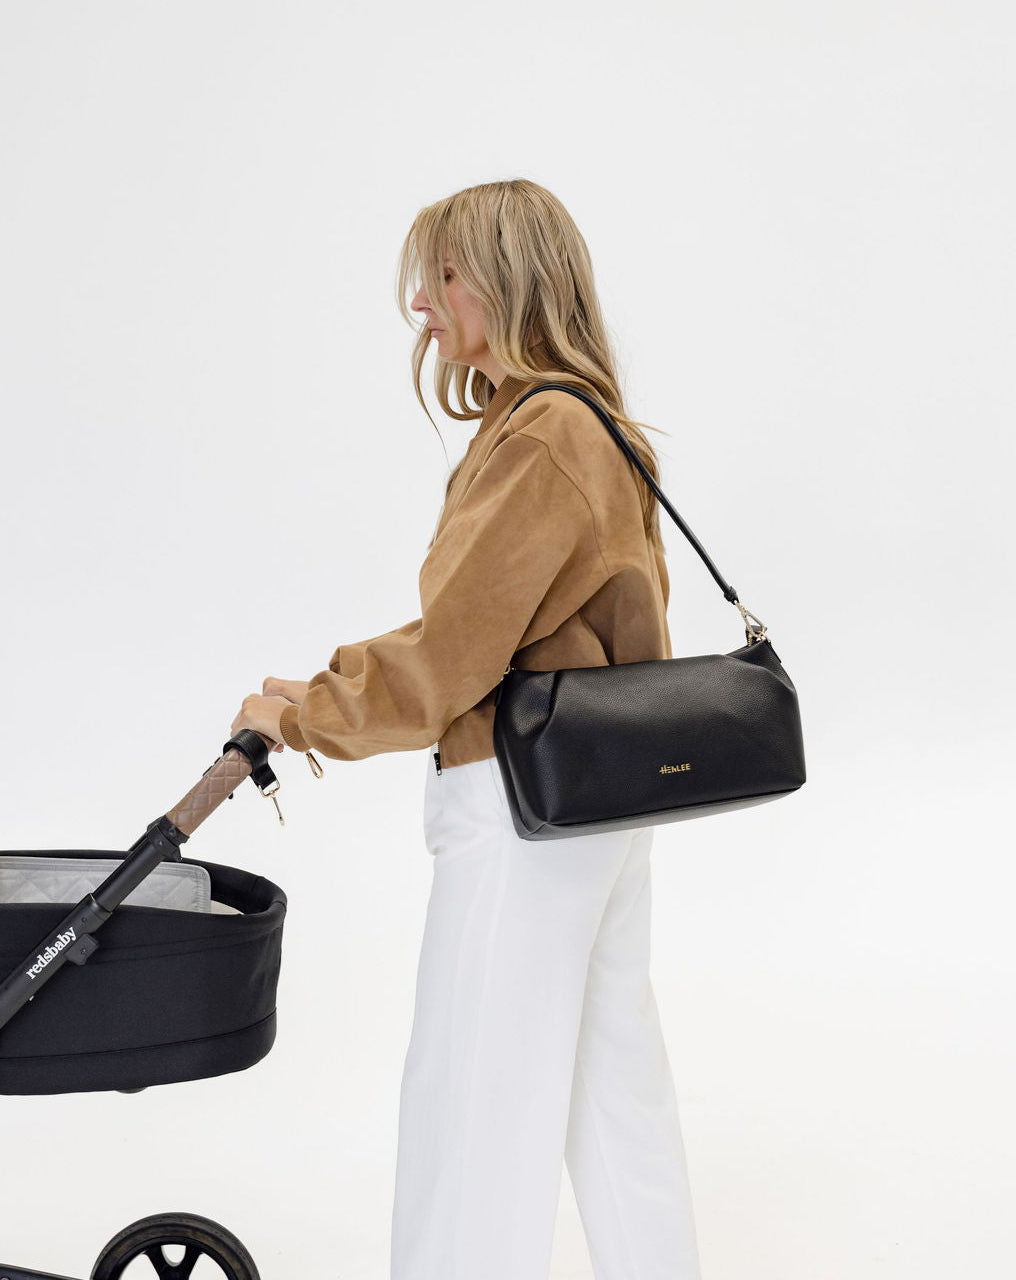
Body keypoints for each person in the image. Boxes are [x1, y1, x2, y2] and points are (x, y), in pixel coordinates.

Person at [229, 178, 703, 1280]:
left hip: (522, 805)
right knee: (610, 1096)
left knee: (473, 1102)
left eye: (444, 275)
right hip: (598, 798)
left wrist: (305, 716)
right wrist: (328, 683)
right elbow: (499, 625)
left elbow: (453, 655)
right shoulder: (588, 423)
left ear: (509, 279)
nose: (422, 305)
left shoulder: (542, 436)